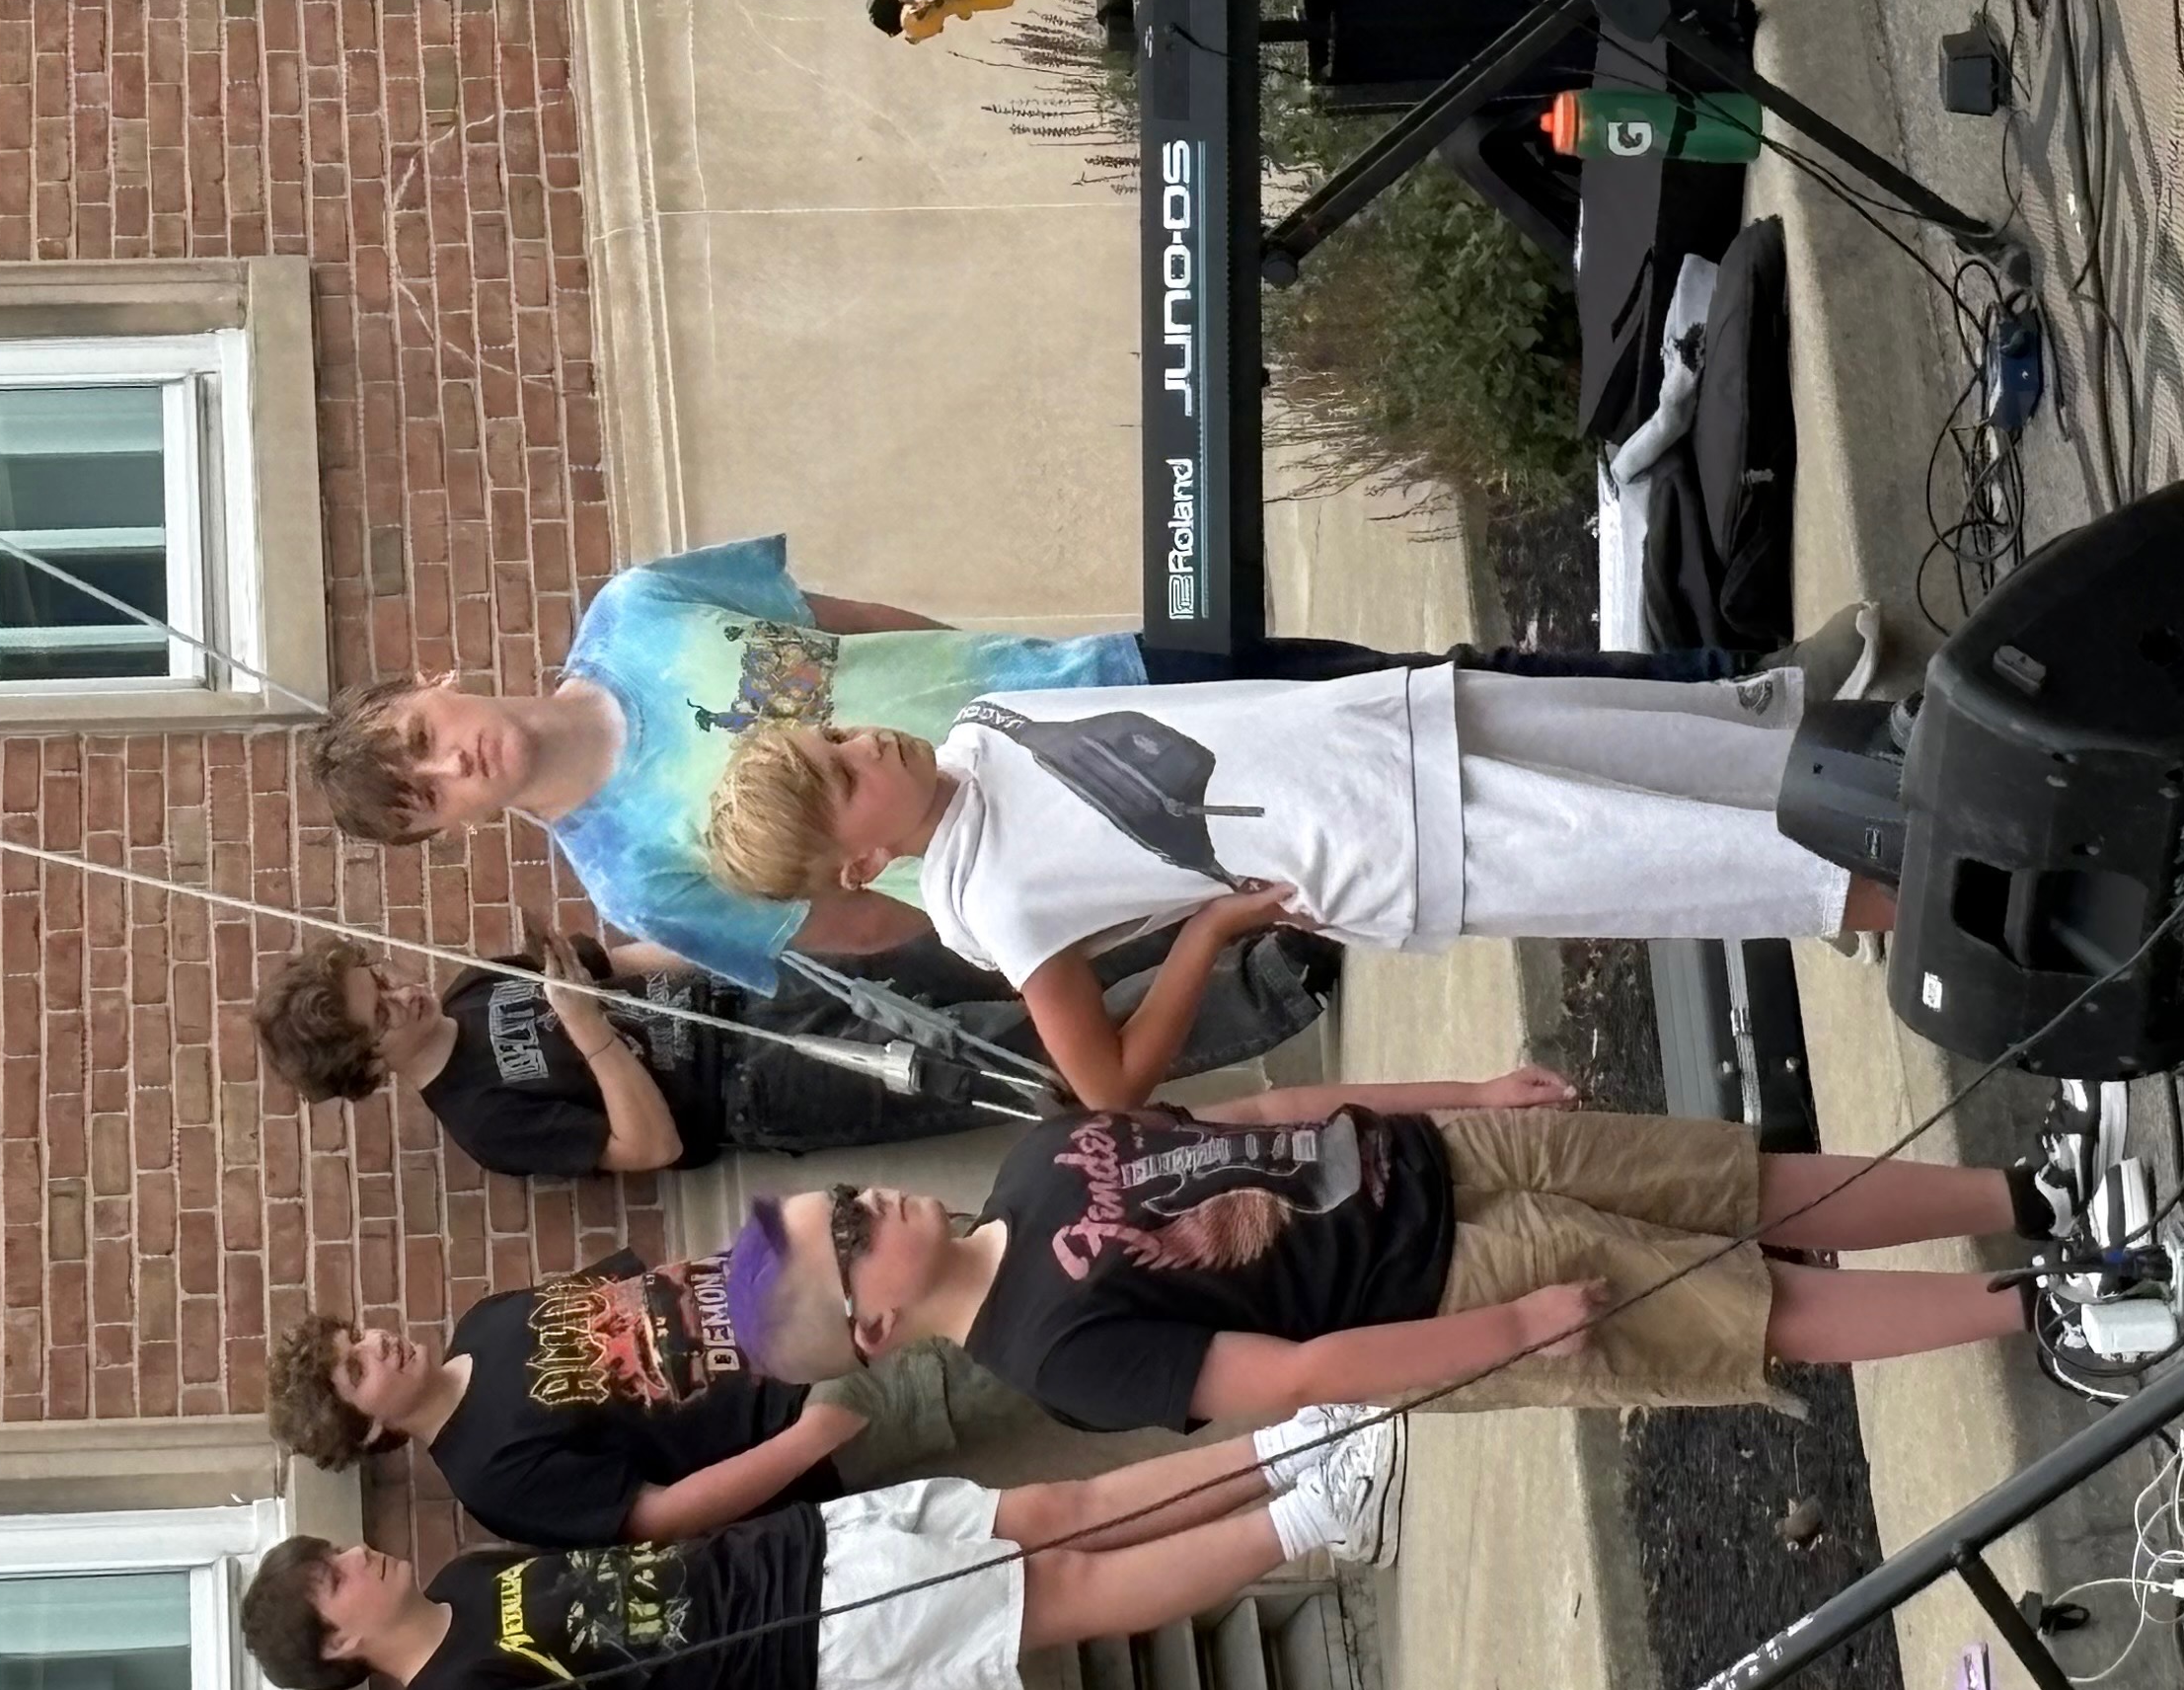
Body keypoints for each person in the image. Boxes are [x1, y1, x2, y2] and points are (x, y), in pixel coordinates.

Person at [296, 528, 1811, 988]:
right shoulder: (637, 880)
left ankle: (1733, 696)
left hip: (1090, 683)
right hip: (1105, 820)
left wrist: (986, 668)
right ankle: (1784, 831)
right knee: (1435, 810)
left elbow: (844, 615)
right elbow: (859, 922)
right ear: (448, 832)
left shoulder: (640, 606)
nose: (456, 760)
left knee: (1417, 690)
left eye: (423, 738)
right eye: (431, 793)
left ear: (436, 682)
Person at [693, 659, 1893, 1113]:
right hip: (1396, 850)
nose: (866, 745)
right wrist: (1209, 933)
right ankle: (1947, 898)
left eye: (837, 737)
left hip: (1391, 727)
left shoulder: (976, 725)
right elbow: (1105, 1084)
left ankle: (1905, 774)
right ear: (862, 864)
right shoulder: (985, 903)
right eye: (845, 777)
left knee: (1675, 748)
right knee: (1697, 859)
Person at [723, 1073, 2069, 1436]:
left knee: (1737, 1180)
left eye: (843, 1197)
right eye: (847, 1239)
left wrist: (1457, 1092)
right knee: (1743, 1307)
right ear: (871, 1334)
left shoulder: (1029, 1162)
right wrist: (1513, 1332)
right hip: (1439, 1291)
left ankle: (2030, 1195)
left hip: (1431, 1156)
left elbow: (1261, 1114)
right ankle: (2049, 1308)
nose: (869, 1205)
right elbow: (1298, 1378)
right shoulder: (1055, 1358)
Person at [235, 1411, 1403, 1690]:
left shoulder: (465, 1571)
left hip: (794, 1550)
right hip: (806, 1645)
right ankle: (1321, 1517)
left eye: (333, 1551)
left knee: (1055, 1510)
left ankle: (1289, 1448)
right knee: (1063, 1591)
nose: (356, 1558)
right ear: (336, 1648)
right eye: (332, 1580)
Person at [263, 1247, 1034, 1550]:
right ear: (371, 1432)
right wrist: (811, 1438)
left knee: (1020, 1257)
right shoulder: (489, 1478)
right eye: (357, 1368)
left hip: (811, 1302)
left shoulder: (483, 1322)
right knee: (1037, 1341)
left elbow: (647, 1288)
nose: (377, 1342)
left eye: (357, 1335)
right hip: (812, 1406)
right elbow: (661, 1516)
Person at [250, 927, 1075, 1176]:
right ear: (369, 1067)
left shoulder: (469, 986)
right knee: (1017, 1053)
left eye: (380, 976)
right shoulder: (483, 1124)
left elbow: (618, 962)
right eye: (381, 1013)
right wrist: (588, 1031)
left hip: (751, 984)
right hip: (752, 1085)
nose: (401, 992)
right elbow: (649, 1148)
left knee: (989, 952)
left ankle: (1152, 931)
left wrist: (750, 934)